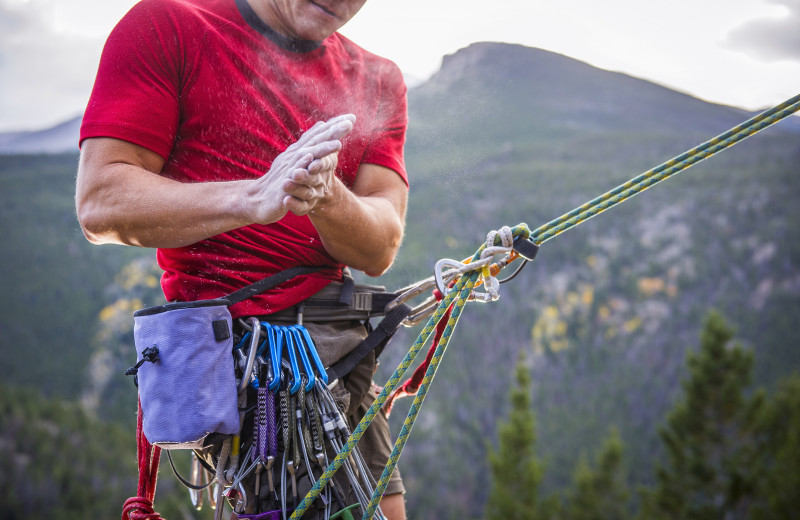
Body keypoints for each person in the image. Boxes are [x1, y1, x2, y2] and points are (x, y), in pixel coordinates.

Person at [75, 0, 408, 518]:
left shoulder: (378, 81)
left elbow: (380, 246)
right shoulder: (170, 26)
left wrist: (327, 197)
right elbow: (101, 200)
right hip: (253, 365)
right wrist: (252, 198)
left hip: (342, 356)